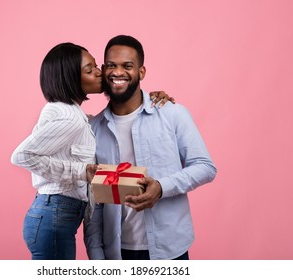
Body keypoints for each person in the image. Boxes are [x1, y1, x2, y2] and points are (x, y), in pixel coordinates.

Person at [11, 42, 174, 260]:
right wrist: (82, 171)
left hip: (53, 216)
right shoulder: (70, 118)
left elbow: (94, 124)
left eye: (97, 66)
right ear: (71, 79)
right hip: (54, 216)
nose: (100, 73)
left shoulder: (75, 116)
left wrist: (147, 99)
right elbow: (22, 156)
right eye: (90, 70)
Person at [84, 35, 217, 260]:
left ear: (141, 72)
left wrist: (162, 188)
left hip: (169, 249)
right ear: (104, 68)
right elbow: (94, 199)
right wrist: (96, 254)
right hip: (116, 252)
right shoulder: (93, 128)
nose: (118, 72)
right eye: (111, 65)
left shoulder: (172, 113)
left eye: (127, 66)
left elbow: (205, 167)